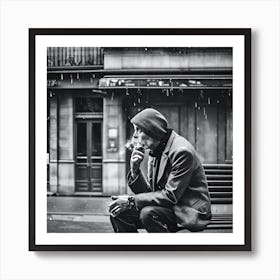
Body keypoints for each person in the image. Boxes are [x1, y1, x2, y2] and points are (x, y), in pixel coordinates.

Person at [109, 108, 212, 233]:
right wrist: (135, 170)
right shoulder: (156, 149)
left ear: (152, 130)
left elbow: (170, 196)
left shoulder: (181, 151)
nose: (134, 136)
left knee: (148, 214)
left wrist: (131, 201)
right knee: (118, 212)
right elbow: (151, 193)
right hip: (168, 208)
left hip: (188, 211)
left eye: (138, 130)